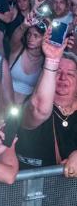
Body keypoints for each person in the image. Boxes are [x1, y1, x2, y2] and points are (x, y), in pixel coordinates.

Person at [15, 28, 77, 173]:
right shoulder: (32, 105)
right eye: (57, 71)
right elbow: (39, 109)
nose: (63, 78)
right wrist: (51, 61)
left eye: (70, 74)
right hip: (36, 192)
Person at [7, 23, 46, 103]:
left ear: (44, 38)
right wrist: (24, 25)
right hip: (4, 103)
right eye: (29, 34)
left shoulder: (46, 61)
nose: (30, 38)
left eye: (36, 36)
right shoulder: (18, 49)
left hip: (26, 110)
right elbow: (15, 38)